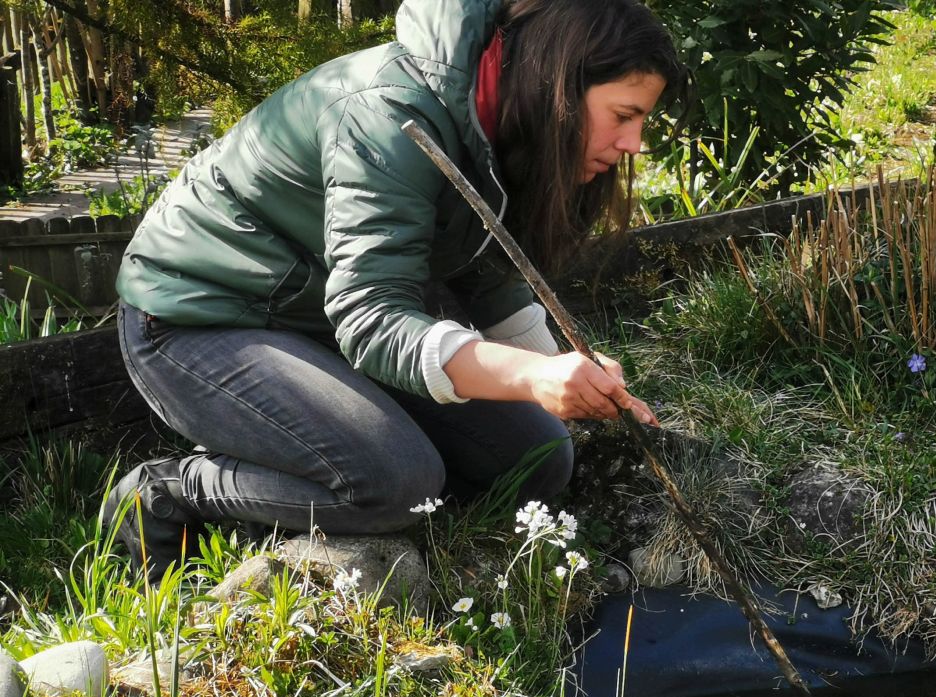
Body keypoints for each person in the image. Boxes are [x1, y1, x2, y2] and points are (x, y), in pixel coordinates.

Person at [103, 0, 685, 577]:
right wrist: (533, 377)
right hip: (198, 316)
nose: (633, 144)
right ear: (555, 84)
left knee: (537, 461)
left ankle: (301, 486)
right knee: (396, 484)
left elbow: (487, 278)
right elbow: (373, 319)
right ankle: (169, 490)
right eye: (624, 114)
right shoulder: (388, 113)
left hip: (320, 321)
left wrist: (565, 371)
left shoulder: (499, 112)